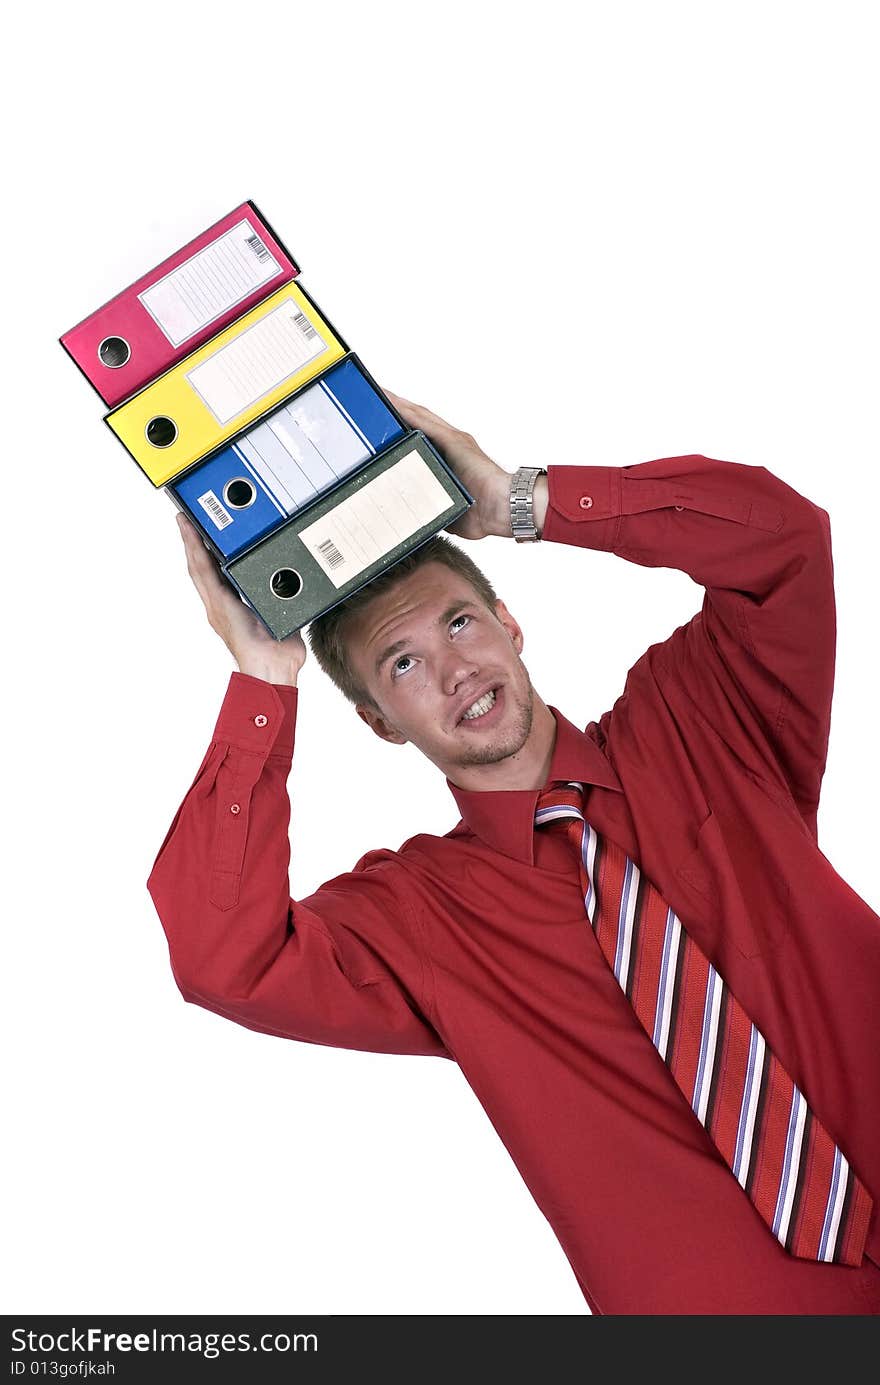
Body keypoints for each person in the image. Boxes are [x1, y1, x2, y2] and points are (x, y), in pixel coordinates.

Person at [149, 393, 880, 1315]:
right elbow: (224, 957)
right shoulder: (413, 919)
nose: (456, 671)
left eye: (459, 623)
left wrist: (521, 502)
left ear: (509, 622)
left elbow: (786, 544)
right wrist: (264, 680)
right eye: (402, 664)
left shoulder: (699, 718)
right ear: (378, 722)